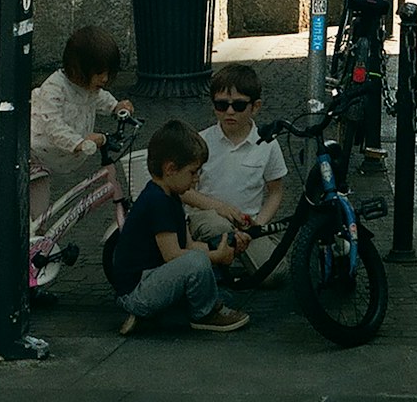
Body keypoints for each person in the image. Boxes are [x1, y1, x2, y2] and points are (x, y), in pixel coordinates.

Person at [110, 119, 249, 335]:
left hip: (152, 278)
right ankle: (204, 315)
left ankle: (168, 312)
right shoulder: (157, 201)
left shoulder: (171, 196)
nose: (196, 180)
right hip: (137, 292)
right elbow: (173, 255)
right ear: (170, 169)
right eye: (193, 172)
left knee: (219, 289)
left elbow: (189, 244)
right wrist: (216, 258)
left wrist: (222, 246)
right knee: (198, 264)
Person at [182, 63, 287, 279]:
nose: (229, 112)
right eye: (221, 105)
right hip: (207, 218)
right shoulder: (201, 141)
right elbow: (184, 190)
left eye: (238, 106)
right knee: (219, 227)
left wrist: (259, 225)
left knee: (275, 274)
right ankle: (212, 258)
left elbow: (275, 192)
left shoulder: (267, 144)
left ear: (255, 107)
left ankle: (223, 262)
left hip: (247, 225)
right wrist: (219, 207)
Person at [30, 26, 134, 221]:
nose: (104, 78)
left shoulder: (89, 87)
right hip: (34, 155)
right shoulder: (54, 88)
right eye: (100, 73)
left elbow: (100, 98)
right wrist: (78, 142)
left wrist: (115, 106)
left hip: (55, 159)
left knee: (40, 212)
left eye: (108, 73)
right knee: (38, 215)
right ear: (78, 70)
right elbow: (53, 126)